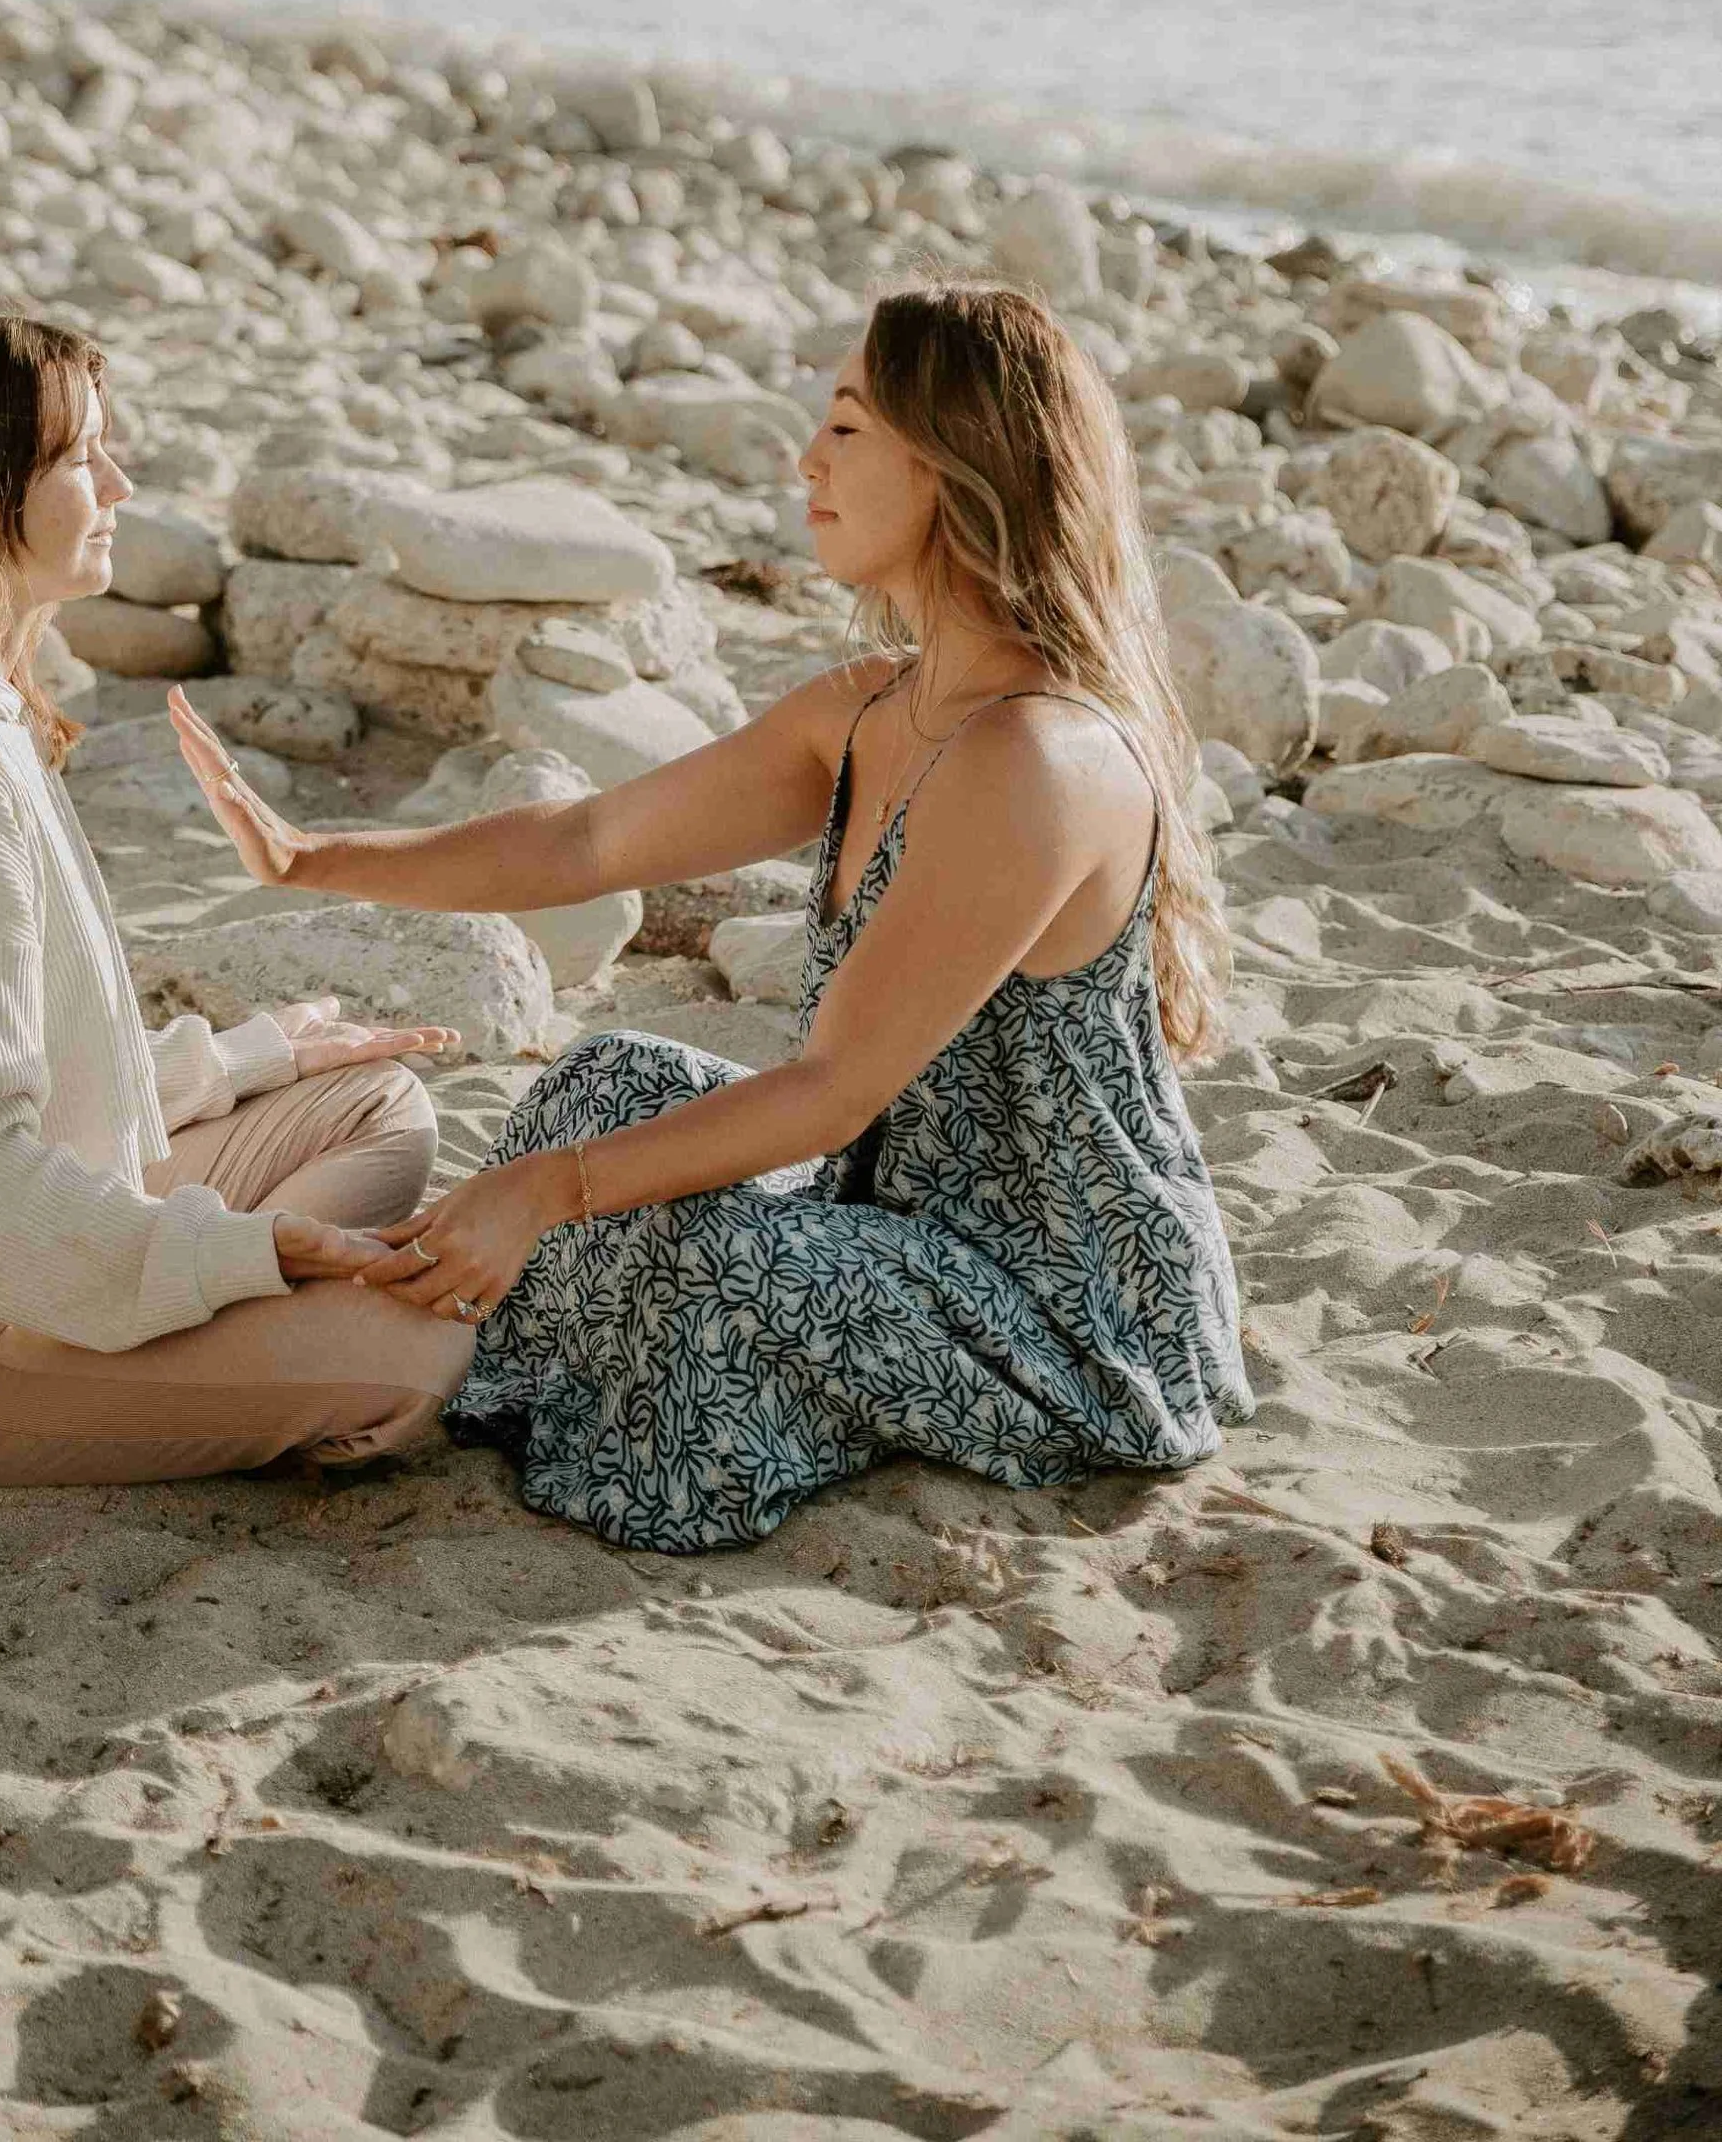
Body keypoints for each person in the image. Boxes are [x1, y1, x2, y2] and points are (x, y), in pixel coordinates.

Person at [171, 280, 1254, 1554]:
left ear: (959, 463)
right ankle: (452, 1362)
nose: (809, 457)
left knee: (715, 1252)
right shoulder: (868, 709)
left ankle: (470, 1376)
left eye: (848, 428)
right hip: (897, 1210)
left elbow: (831, 1088)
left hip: (1063, 1303)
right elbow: (586, 839)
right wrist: (312, 857)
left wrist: (543, 1196)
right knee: (605, 1084)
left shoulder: (1036, 759)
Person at [0, 310, 476, 1489]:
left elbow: (1, 1069)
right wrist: (249, 1250)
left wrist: (242, 1061)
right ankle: (203, 1358)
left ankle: (196, 1339)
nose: (120, 484)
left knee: (372, 1100)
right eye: (81, 458)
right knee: (417, 1356)